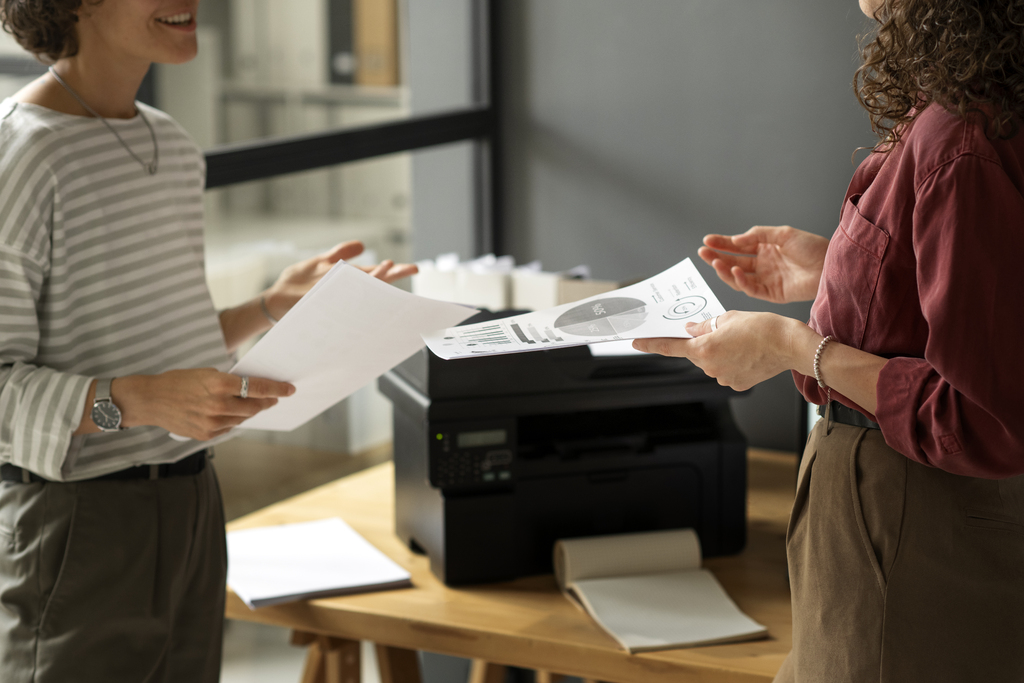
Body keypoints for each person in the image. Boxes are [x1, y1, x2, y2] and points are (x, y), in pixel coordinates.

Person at [0, 1, 415, 681]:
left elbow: (157, 346)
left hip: (194, 502)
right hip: (78, 523)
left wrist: (269, 306)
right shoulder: (19, 158)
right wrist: (133, 402)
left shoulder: (172, 145)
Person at [633, 0, 1024, 680]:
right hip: (892, 537)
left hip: (911, 541)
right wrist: (841, 270)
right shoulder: (972, 102)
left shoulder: (960, 137)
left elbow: (983, 418)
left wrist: (790, 346)